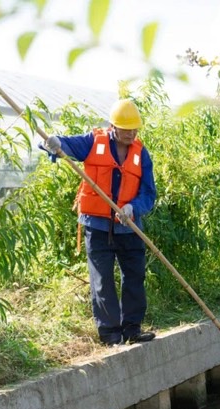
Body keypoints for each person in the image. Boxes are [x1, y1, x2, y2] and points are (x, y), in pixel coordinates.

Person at [41, 99, 157, 347]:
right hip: (97, 225)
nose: (131, 134)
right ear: (113, 126)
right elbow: (67, 145)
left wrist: (132, 208)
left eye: (134, 129)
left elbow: (149, 193)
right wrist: (54, 144)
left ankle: (132, 329)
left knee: (135, 277)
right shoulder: (94, 142)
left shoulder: (141, 153)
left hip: (129, 226)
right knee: (102, 279)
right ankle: (110, 335)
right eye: (126, 129)